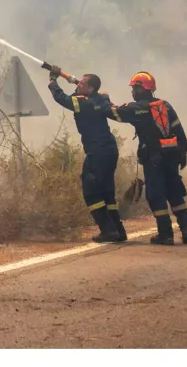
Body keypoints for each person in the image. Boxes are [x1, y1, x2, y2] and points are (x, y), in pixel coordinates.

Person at [103, 72, 187, 245]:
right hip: (173, 157)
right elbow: (180, 133)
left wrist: (103, 99)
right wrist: (183, 156)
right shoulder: (165, 105)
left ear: (140, 88)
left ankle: (165, 234)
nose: (132, 92)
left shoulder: (138, 108)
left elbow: (113, 112)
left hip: (154, 159)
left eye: (134, 88)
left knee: (155, 195)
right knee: (175, 193)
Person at [46, 66, 126, 243]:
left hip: (97, 152)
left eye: (82, 83)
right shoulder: (99, 98)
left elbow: (62, 98)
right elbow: (88, 94)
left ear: (90, 88)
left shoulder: (83, 102)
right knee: (107, 191)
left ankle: (107, 230)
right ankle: (118, 230)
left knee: (91, 190)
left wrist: (53, 80)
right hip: (109, 149)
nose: (78, 84)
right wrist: (74, 82)